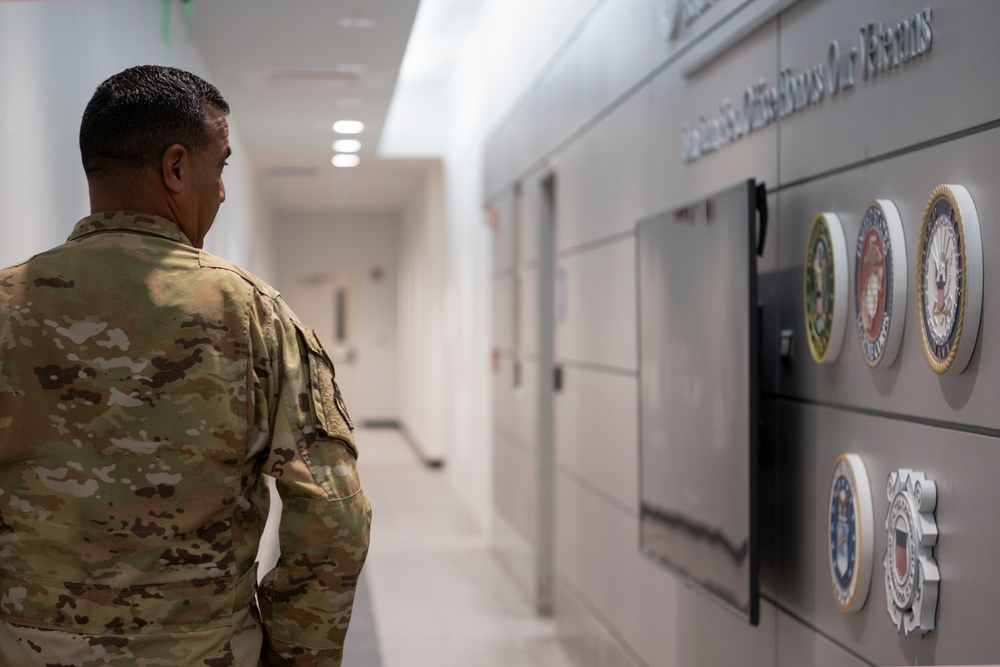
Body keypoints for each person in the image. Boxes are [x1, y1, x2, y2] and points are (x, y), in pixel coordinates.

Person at [0, 65, 371, 666]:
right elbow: (333, 514)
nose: (222, 190)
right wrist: (295, 655)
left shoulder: (7, 306)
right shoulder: (256, 315)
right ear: (175, 168)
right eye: (219, 165)